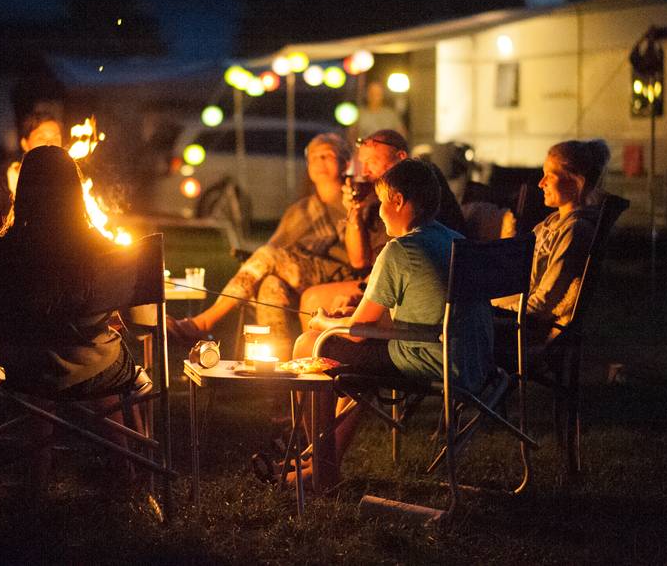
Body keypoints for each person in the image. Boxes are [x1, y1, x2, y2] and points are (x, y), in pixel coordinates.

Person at [287, 159, 490, 485]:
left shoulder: (400, 249)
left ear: (397, 201)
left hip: (429, 357)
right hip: (470, 358)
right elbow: (398, 314)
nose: (379, 212)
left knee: (309, 345)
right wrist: (349, 320)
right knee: (350, 358)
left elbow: (356, 334)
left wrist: (323, 322)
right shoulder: (453, 239)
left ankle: (321, 471)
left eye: (381, 201)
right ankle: (323, 464)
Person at [0, 145, 151, 491]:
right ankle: (124, 464)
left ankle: (38, 476)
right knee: (98, 352)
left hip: (25, 368)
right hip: (91, 368)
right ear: (75, 190)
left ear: (24, 190)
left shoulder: (3, 248)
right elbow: (130, 315)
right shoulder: (101, 247)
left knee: (49, 359)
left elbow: (0, 313)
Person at [168, 133, 359, 358]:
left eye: (327, 155)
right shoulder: (301, 210)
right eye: (314, 157)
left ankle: (204, 321)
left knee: (268, 256)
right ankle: (278, 365)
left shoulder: (357, 202)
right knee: (270, 285)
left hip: (337, 276)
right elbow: (279, 246)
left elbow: (273, 254)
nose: (320, 162)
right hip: (297, 276)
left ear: (345, 162)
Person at [298, 129, 464, 317]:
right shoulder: (375, 195)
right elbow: (359, 261)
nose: (365, 171)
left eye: (372, 162)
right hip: (385, 276)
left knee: (313, 300)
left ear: (401, 157)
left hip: (411, 282)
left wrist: (364, 291)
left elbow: (406, 255)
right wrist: (354, 211)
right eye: (363, 163)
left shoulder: (421, 182)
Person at [491, 138, 611, 349]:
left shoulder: (575, 230)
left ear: (576, 181)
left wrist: (490, 313)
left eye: (550, 176)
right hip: (511, 311)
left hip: (522, 326)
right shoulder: (550, 223)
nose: (541, 183)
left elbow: (543, 302)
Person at [0, 111, 63, 255]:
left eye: (55, 137)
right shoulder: (1, 185)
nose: (49, 144)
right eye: (41, 138)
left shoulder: (71, 183)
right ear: (25, 143)